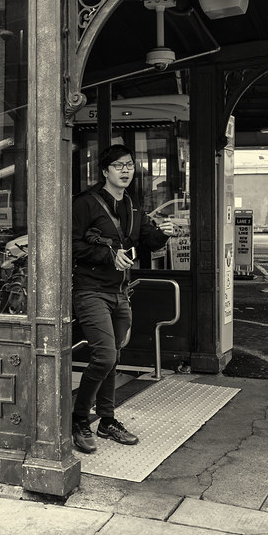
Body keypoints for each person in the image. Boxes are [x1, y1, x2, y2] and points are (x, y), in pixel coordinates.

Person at [70, 144, 177, 453]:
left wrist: (165, 232)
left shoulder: (132, 206)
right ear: (105, 171)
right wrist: (107, 254)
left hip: (120, 293)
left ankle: (106, 420)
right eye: (118, 165)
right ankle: (79, 419)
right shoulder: (86, 204)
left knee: (113, 357)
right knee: (104, 356)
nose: (126, 170)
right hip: (90, 290)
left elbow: (148, 242)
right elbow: (72, 245)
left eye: (129, 164)